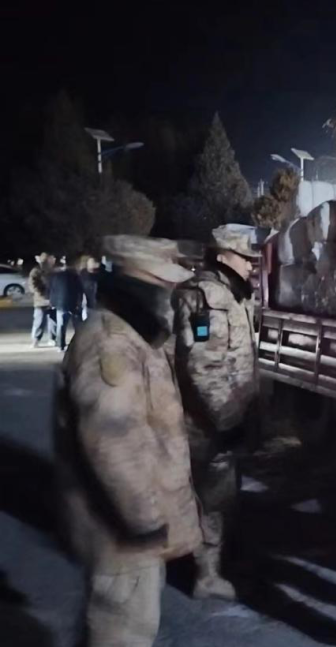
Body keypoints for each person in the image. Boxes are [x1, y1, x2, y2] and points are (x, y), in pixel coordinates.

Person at [53, 235, 204, 647]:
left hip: (132, 531)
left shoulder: (134, 333)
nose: (170, 293)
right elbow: (111, 440)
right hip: (122, 535)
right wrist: (146, 522)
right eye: (162, 283)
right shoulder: (111, 341)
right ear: (136, 282)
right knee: (121, 634)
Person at [171, 224, 261, 600]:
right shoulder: (206, 296)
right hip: (209, 422)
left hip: (229, 414)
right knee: (211, 500)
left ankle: (218, 561)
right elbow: (202, 364)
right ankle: (205, 575)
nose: (252, 265)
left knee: (224, 495)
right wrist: (226, 421)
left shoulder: (231, 293)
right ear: (222, 256)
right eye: (246, 258)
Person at [49, 264, 84, 351]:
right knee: (78, 326)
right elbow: (80, 290)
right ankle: (79, 344)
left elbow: (52, 290)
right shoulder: (75, 276)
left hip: (61, 305)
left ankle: (60, 345)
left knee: (61, 326)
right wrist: (79, 303)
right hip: (73, 304)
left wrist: (53, 303)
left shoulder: (56, 276)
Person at [28, 253, 56, 347]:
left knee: (53, 321)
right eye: (51, 259)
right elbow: (33, 285)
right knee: (39, 321)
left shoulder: (53, 271)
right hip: (41, 301)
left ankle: (52, 338)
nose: (53, 260)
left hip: (53, 300)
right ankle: (36, 339)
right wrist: (42, 294)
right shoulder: (36, 271)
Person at [79, 255, 103, 322]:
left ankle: (90, 317)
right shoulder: (83, 271)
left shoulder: (96, 273)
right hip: (83, 291)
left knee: (91, 303)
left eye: (92, 262)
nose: (90, 264)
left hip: (91, 292)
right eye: (89, 262)